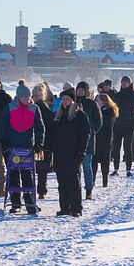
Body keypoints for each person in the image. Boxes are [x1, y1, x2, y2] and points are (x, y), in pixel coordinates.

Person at [0, 82, 45, 215]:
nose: (28, 99)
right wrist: (5, 144)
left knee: (27, 176)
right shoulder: (9, 108)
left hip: (27, 148)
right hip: (11, 148)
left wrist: (39, 144)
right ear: (19, 97)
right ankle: (15, 204)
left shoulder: (34, 109)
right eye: (25, 97)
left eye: (29, 96)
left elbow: (40, 128)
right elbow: (2, 127)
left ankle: (29, 203)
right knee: (13, 175)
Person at [49, 89, 90, 217]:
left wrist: (81, 152)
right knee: (62, 182)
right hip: (59, 154)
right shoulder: (57, 116)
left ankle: (76, 208)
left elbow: (85, 135)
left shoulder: (80, 116)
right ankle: (64, 207)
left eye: (67, 99)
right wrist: (50, 149)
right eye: (63, 99)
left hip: (74, 153)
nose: (65, 102)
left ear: (73, 101)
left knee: (73, 181)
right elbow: (52, 135)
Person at [110, 76, 134, 177]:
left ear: (130, 83)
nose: (124, 84)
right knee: (116, 148)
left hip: (129, 126)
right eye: (123, 82)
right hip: (117, 126)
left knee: (128, 148)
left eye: (126, 82)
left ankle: (128, 170)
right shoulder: (117, 95)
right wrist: (112, 122)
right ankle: (116, 169)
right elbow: (111, 109)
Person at [75, 81, 102, 200]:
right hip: (74, 140)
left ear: (86, 91)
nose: (80, 92)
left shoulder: (92, 104)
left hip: (88, 141)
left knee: (87, 166)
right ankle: (77, 189)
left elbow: (99, 121)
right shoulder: (73, 103)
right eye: (78, 89)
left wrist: (92, 132)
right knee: (76, 167)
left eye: (82, 90)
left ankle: (89, 190)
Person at [32, 84, 54, 200]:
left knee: (41, 169)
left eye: (37, 95)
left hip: (43, 144)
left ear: (42, 95)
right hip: (40, 142)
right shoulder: (34, 107)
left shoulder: (42, 108)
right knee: (39, 168)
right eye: (33, 95)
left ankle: (41, 190)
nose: (35, 97)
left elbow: (48, 126)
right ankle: (39, 190)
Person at [93, 93, 117, 188]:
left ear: (103, 101)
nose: (96, 102)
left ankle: (105, 180)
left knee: (105, 162)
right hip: (96, 138)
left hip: (105, 139)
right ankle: (93, 180)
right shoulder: (96, 110)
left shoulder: (110, 111)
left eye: (97, 100)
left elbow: (106, 123)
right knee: (94, 161)